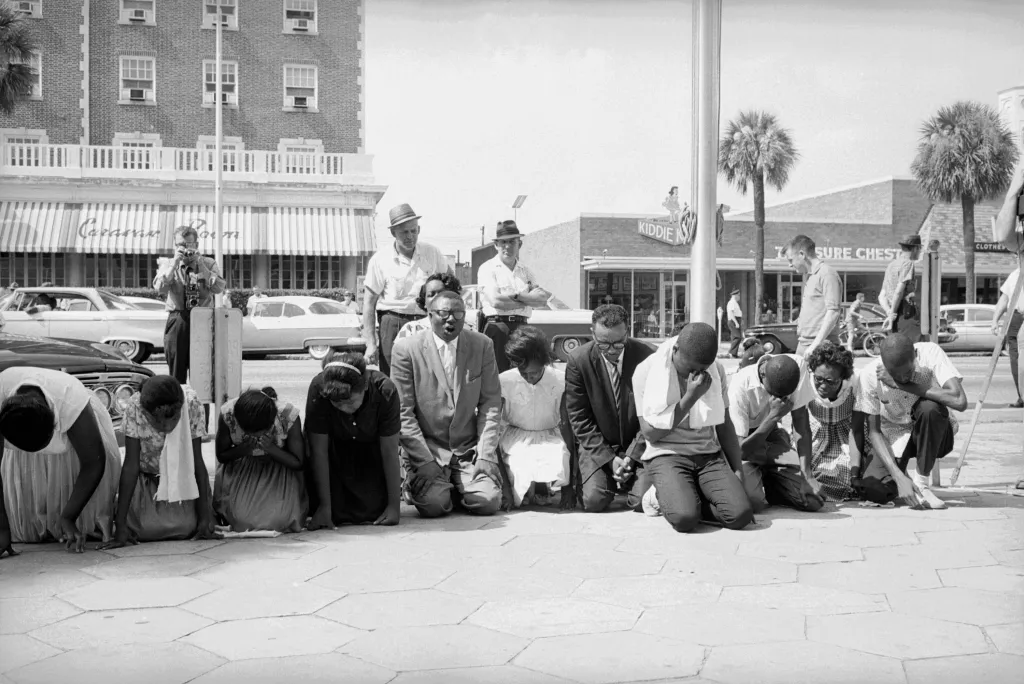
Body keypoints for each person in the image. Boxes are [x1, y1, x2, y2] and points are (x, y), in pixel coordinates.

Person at [390, 290, 502, 517]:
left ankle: (457, 485)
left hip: (466, 450)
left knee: (488, 502)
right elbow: (402, 412)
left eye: (458, 313)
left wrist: (485, 455)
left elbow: (491, 403)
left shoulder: (482, 345)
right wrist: (424, 460)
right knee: (434, 506)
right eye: (443, 313)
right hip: (429, 450)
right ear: (430, 316)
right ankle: (428, 485)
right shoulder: (406, 350)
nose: (451, 319)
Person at [632, 323, 753, 533]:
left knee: (740, 515)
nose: (695, 375)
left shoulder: (716, 371)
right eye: (690, 368)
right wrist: (690, 397)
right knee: (684, 519)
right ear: (676, 349)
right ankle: (663, 496)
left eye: (702, 369)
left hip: (707, 455)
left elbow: (724, 424)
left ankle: (687, 496)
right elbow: (651, 434)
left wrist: (737, 470)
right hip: (666, 453)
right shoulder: (646, 371)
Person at [0, 367, 121, 555]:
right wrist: (2, 530)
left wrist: (69, 517)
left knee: (87, 518)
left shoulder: (71, 400)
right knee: (28, 528)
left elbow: (93, 463)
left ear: (54, 426)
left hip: (74, 440)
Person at [853, 334, 966, 510]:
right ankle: (905, 478)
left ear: (915, 354)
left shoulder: (930, 353)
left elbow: (959, 400)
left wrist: (900, 385)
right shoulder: (869, 375)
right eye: (894, 374)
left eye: (907, 372)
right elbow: (874, 432)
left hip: (936, 435)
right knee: (874, 490)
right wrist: (898, 476)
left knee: (929, 408)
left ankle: (921, 483)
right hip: (895, 435)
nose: (902, 377)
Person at [104, 376, 216, 546]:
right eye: (158, 421)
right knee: (142, 528)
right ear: (145, 412)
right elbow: (130, 466)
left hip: (181, 480)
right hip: (147, 481)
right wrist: (120, 526)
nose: (167, 427)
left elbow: (197, 463)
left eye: (173, 419)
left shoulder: (191, 404)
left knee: (187, 527)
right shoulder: (135, 407)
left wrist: (204, 517)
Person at [564, 305, 654, 512]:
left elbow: (653, 415)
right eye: (603, 344)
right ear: (592, 333)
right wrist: (609, 459)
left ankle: (628, 480)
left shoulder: (648, 357)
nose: (612, 350)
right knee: (594, 501)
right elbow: (579, 419)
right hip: (599, 444)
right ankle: (606, 479)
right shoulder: (578, 360)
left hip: (639, 443)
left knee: (642, 501)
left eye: (618, 344)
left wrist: (632, 456)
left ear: (627, 332)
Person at [304, 351, 402, 528]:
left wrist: (394, 507)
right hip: (334, 457)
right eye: (336, 403)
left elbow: (389, 451)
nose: (342, 408)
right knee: (332, 511)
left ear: (364, 387)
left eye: (349, 402)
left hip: (371, 456)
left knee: (372, 510)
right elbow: (318, 451)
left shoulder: (385, 390)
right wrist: (325, 506)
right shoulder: (320, 387)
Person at [362, 203, 452, 376]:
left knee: (429, 378)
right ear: (393, 232)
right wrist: (371, 343)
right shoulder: (380, 260)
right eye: (404, 232)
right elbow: (368, 303)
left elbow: (451, 286)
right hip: (392, 323)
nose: (410, 236)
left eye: (414, 230)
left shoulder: (432, 253)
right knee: (395, 378)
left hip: (427, 323)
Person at [729, 354, 826, 513]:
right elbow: (739, 451)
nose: (780, 398)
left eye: (785, 395)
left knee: (813, 501)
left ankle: (772, 482)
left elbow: (801, 424)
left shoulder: (797, 367)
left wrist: (807, 475)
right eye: (775, 393)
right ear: (763, 375)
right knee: (753, 503)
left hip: (772, 438)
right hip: (747, 445)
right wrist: (774, 416)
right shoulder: (739, 386)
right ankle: (765, 475)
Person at [497, 327, 572, 508]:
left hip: (551, 434)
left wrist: (569, 489)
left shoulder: (561, 380)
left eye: (535, 373)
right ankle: (529, 487)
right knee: (520, 460)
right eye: (524, 374)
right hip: (516, 435)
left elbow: (566, 424)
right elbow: (495, 425)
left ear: (544, 363)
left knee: (558, 455)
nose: (529, 378)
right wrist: (506, 490)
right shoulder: (504, 381)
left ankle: (541, 485)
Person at [214, 387, 306, 533]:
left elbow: (298, 462)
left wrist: (272, 449)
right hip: (242, 469)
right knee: (241, 520)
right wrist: (244, 449)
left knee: (278, 520)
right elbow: (222, 455)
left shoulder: (287, 416)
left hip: (279, 469)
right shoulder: (228, 414)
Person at [153, 225, 225, 385]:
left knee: (202, 376)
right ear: (175, 246)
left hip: (203, 319)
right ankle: (179, 408)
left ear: (197, 245)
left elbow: (218, 287)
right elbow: (160, 289)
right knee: (176, 376)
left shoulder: (209, 263)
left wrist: (201, 264)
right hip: (178, 320)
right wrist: (174, 265)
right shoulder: (168, 264)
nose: (185, 248)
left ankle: (201, 409)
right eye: (180, 245)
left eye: (188, 244)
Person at [477, 220, 551, 373]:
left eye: (512, 242)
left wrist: (515, 296)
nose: (507, 247)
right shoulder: (487, 268)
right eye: (503, 242)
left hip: (523, 327)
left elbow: (542, 300)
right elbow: (496, 301)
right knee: (498, 375)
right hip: (498, 327)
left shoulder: (526, 271)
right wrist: (527, 299)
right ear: (496, 245)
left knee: (523, 374)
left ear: (520, 244)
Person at [805, 342, 862, 502]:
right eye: (819, 379)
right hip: (814, 434)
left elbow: (857, 429)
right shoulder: (805, 381)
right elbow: (800, 425)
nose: (822, 385)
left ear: (843, 378)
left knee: (846, 473)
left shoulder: (854, 383)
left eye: (830, 381)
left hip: (846, 436)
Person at [785, 235, 842, 357]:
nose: (790, 265)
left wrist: (815, 345)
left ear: (802, 254)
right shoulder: (811, 277)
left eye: (790, 260)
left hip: (820, 347)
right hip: (805, 343)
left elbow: (833, 312)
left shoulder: (827, 274)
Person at [879, 235, 923, 342]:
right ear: (914, 248)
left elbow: (881, 296)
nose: (920, 251)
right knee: (913, 351)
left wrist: (890, 313)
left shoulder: (891, 265)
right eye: (919, 248)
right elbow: (899, 290)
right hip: (906, 315)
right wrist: (891, 314)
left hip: (894, 317)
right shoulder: (908, 263)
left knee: (898, 352)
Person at [395, 272, 462, 342]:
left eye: (441, 293)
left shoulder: (463, 330)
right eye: (431, 295)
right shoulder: (410, 330)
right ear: (425, 302)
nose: (436, 297)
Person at [992, 266, 1023, 409]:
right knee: (1015, 360)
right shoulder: (1015, 274)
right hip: (1015, 317)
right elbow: (1004, 299)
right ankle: (1022, 395)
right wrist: (995, 320)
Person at [726, 289, 743, 358]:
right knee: (738, 337)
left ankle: (734, 354)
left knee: (734, 337)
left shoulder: (734, 302)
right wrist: (736, 322)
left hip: (735, 320)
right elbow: (731, 313)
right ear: (735, 295)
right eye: (738, 295)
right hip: (733, 321)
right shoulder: (732, 302)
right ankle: (731, 352)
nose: (739, 297)